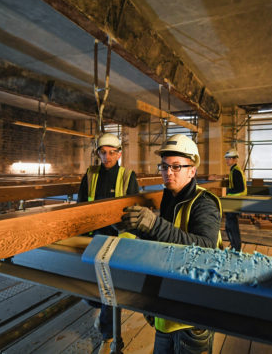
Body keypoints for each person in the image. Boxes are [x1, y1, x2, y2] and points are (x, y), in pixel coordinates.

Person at [121, 134, 222, 354]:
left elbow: (205, 249)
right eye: (164, 166)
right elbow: (165, 242)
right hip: (166, 307)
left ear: (191, 170)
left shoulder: (203, 203)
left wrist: (154, 225)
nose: (168, 172)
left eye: (176, 167)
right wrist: (140, 229)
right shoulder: (170, 197)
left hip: (193, 315)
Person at [77, 133, 139, 354]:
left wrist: (128, 243)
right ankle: (103, 316)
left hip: (117, 241)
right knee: (90, 288)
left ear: (119, 153)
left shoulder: (127, 176)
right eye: (103, 152)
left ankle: (108, 335)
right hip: (94, 238)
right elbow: (81, 204)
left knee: (110, 287)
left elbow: (134, 210)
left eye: (112, 152)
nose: (108, 156)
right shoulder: (91, 175)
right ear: (98, 154)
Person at [224, 148, 247, 252]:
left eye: (229, 158)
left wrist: (228, 192)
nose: (227, 160)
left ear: (234, 159)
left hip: (235, 201)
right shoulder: (234, 169)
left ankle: (236, 247)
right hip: (234, 201)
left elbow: (240, 188)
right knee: (230, 225)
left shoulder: (236, 171)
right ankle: (234, 246)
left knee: (231, 226)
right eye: (226, 158)